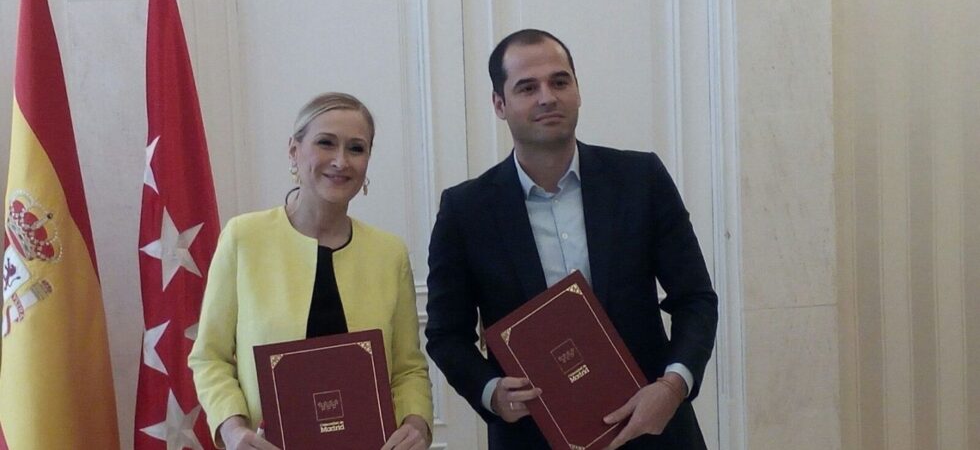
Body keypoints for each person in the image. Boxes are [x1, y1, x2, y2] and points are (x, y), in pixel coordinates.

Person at [425, 30, 718, 449]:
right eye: (527, 87)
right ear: (499, 104)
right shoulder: (465, 210)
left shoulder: (642, 180)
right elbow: (446, 334)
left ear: (577, 91)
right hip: (532, 435)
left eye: (559, 82)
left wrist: (672, 387)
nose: (547, 97)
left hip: (654, 427)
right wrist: (492, 393)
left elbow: (696, 299)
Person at [189, 92, 433, 450]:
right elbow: (210, 356)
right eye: (325, 143)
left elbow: (408, 368)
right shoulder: (244, 238)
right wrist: (231, 428)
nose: (340, 161)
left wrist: (417, 423)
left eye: (356, 148)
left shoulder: (389, 252)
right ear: (294, 150)